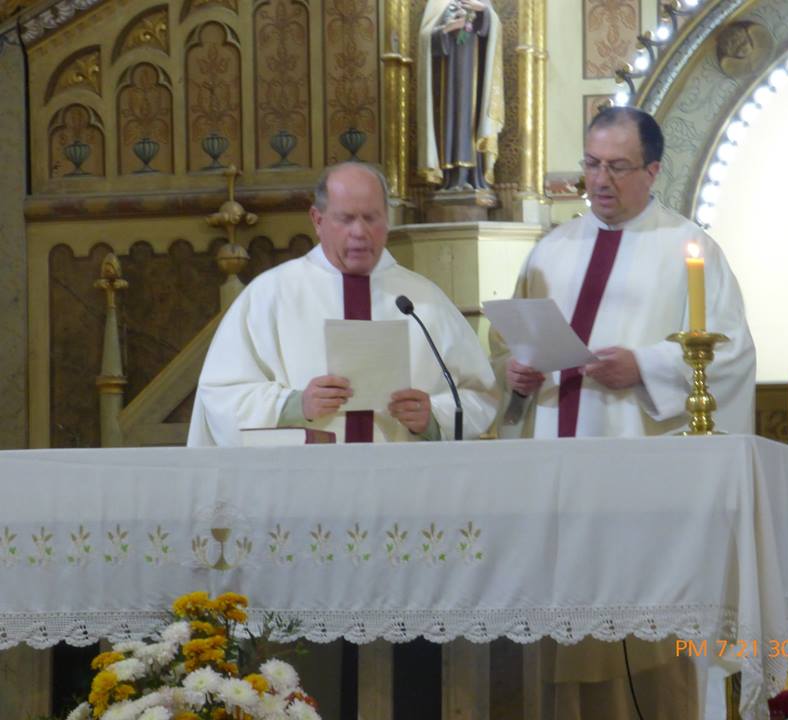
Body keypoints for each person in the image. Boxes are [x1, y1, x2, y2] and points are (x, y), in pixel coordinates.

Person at [492, 107, 756, 719]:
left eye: (617, 166)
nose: (600, 180)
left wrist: (644, 366)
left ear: (653, 170)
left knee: (644, 633)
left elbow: (733, 354)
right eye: (590, 164)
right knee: (557, 629)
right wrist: (518, 376)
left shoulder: (689, 250)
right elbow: (506, 354)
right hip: (553, 478)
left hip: (642, 484)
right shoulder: (548, 254)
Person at [188, 162, 499, 446]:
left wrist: (432, 417)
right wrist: (294, 405)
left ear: (387, 219)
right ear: (317, 219)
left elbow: (479, 394)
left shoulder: (423, 301)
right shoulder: (272, 294)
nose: (360, 232)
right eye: (346, 219)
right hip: (302, 488)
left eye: (371, 218)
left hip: (401, 486)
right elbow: (221, 393)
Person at [417, 0, 503, 191]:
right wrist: (448, 29)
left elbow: (493, 30)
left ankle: (473, 177)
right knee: (450, 122)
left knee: (471, 121)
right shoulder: (438, 3)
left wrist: (483, 12)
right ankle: (450, 179)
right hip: (446, 80)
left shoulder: (480, 2)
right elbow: (425, 37)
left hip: (475, 77)